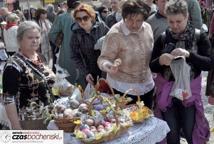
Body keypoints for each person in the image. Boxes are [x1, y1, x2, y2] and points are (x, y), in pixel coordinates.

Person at [149, 0, 211, 143]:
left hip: (189, 95)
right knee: (171, 134)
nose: (175, 26)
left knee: (191, 132)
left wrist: (189, 54)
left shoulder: (199, 36)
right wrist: (160, 60)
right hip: (167, 95)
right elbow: (152, 66)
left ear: (187, 17)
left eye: (179, 21)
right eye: (171, 22)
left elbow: (208, 64)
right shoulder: (163, 38)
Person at [97, 0, 154, 109]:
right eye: (130, 20)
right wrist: (109, 66)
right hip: (123, 89)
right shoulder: (115, 34)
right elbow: (103, 59)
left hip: (146, 86)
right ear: (124, 17)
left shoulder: (147, 28)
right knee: (126, 123)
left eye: (139, 20)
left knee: (146, 120)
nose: (134, 24)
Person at [3, 21, 56, 130]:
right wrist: (17, 128)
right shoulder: (13, 66)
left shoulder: (39, 57)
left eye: (37, 37)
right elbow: (8, 99)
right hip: (29, 122)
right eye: (30, 37)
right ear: (19, 39)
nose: (35, 41)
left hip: (49, 117)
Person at [71, 3, 109, 88]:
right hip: (89, 73)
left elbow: (113, 40)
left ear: (91, 17)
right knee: (93, 98)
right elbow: (75, 56)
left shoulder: (101, 27)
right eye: (79, 19)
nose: (82, 21)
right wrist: (85, 73)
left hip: (105, 70)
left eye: (85, 18)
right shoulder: (76, 34)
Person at [49, 0, 80, 84]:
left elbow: (52, 34)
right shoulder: (84, 16)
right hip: (83, 54)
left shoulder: (62, 17)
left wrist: (61, 40)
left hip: (67, 53)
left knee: (66, 83)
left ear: (67, 5)